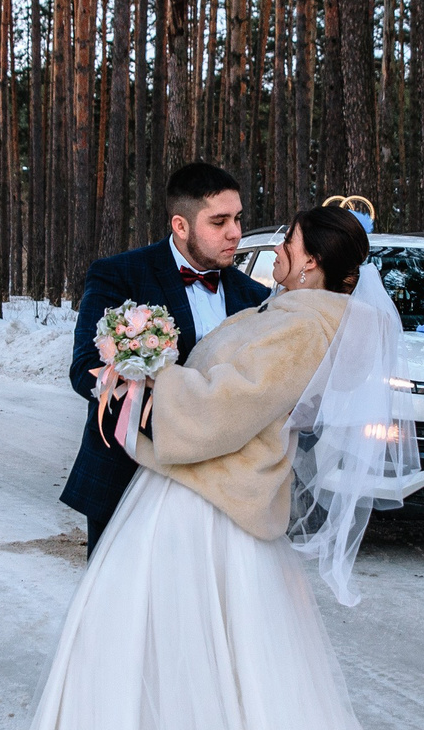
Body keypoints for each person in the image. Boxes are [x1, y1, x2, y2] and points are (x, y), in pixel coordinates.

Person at [0, 206, 424, 730]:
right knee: (167, 655)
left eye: (286, 241)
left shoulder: (305, 323)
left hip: (210, 502)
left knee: (165, 653)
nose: (273, 248)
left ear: (310, 260)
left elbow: (231, 406)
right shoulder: (294, 310)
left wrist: (146, 385)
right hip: (200, 492)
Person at [60, 161, 271, 550]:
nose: (235, 233)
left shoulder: (255, 298)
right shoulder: (119, 275)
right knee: (122, 604)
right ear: (180, 225)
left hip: (220, 486)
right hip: (130, 474)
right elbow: (84, 370)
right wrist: (164, 406)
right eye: (219, 221)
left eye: (238, 219)